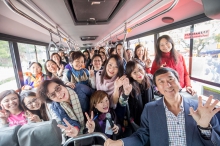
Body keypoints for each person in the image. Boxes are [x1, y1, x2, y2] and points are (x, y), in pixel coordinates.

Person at [104, 67, 220, 146]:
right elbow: (142, 137)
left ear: (179, 82)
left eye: (171, 79)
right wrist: (120, 143)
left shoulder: (201, 108)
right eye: (161, 82)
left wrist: (205, 128)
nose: (168, 85)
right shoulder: (150, 109)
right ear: (157, 88)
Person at [119, 61, 154, 126]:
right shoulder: (129, 85)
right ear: (130, 75)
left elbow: (157, 92)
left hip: (150, 115)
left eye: (140, 69)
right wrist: (126, 94)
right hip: (136, 120)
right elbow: (122, 103)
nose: (139, 74)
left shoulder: (149, 79)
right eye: (134, 72)